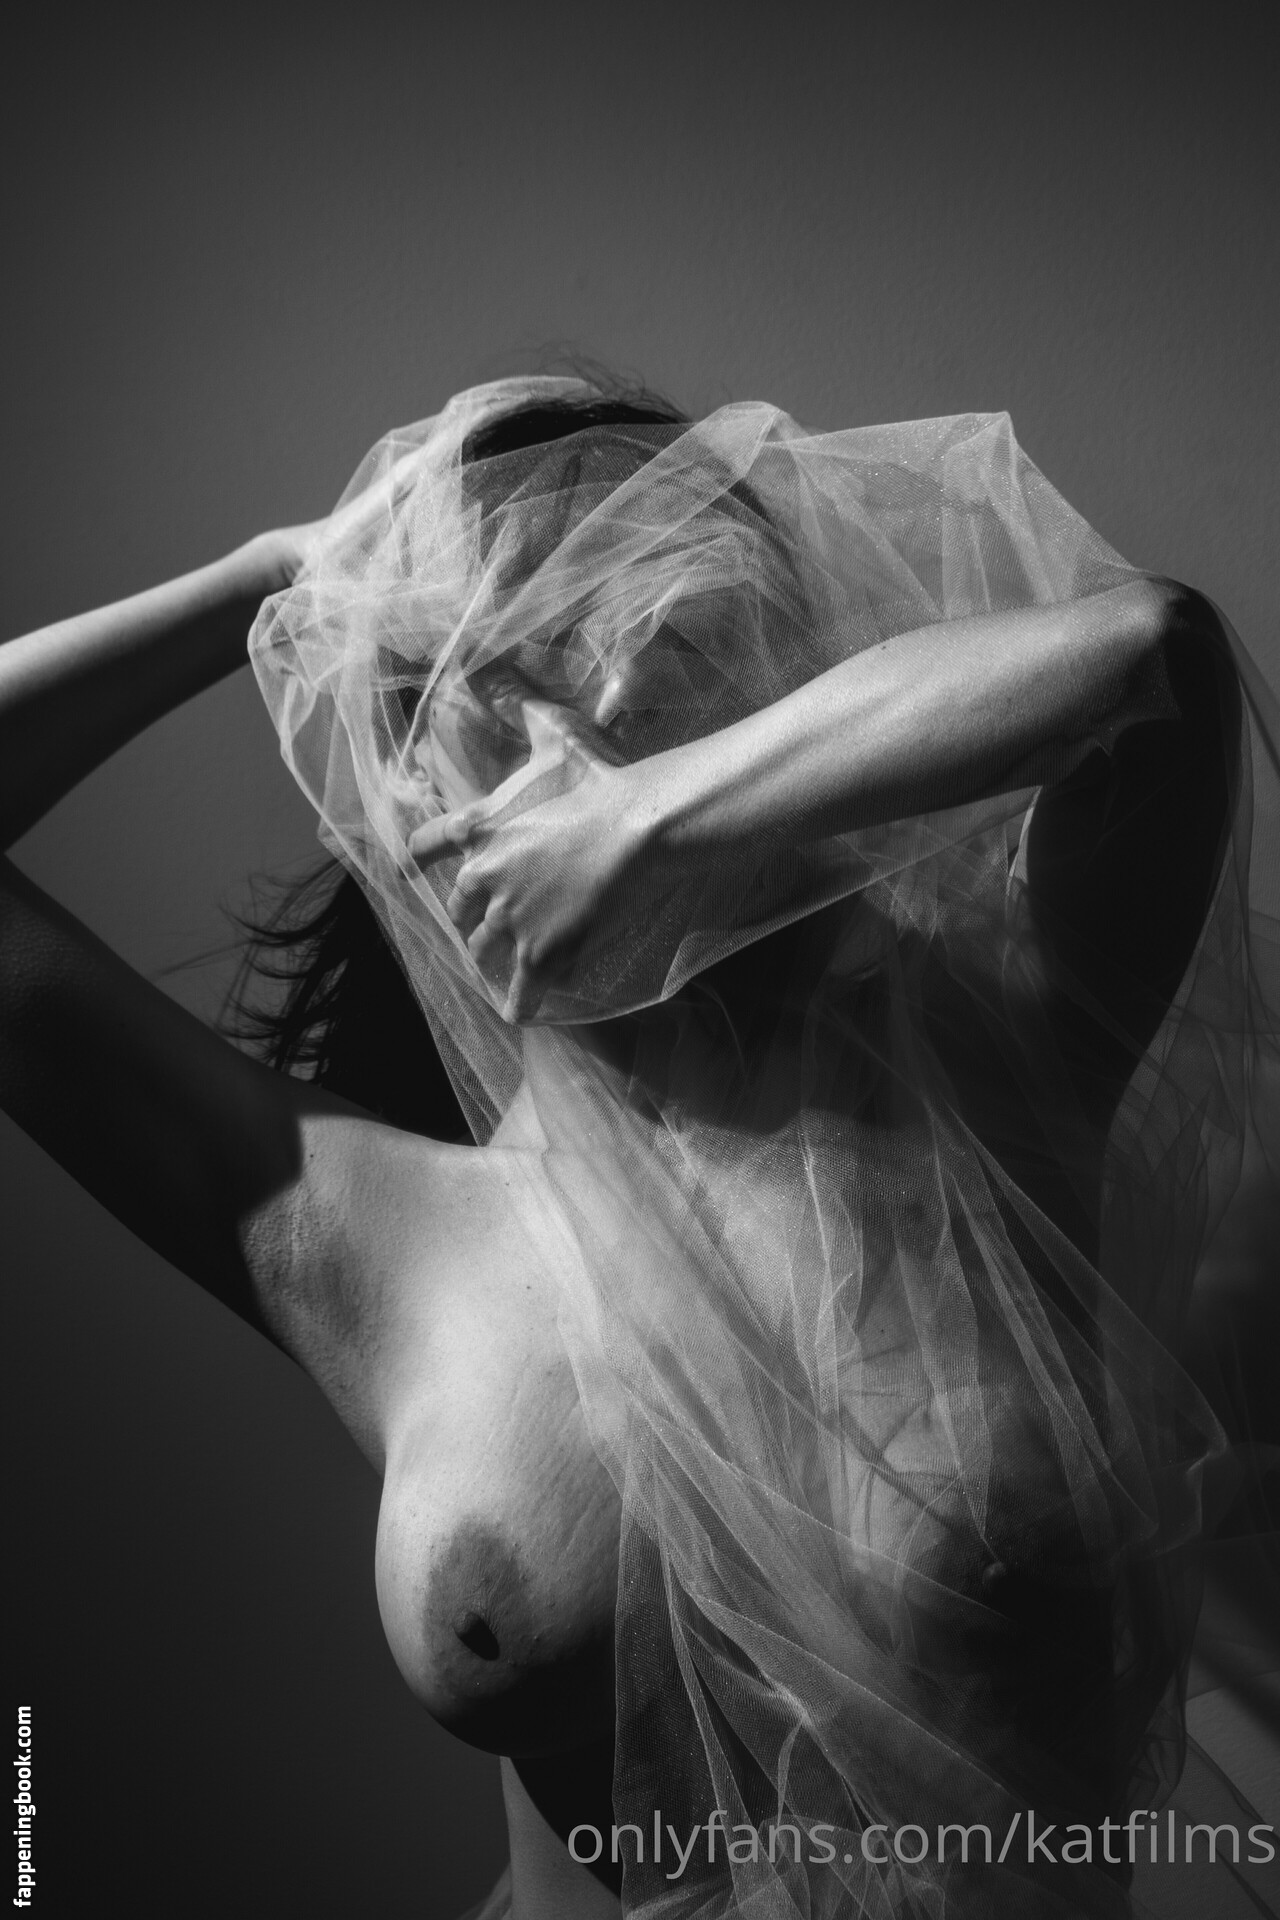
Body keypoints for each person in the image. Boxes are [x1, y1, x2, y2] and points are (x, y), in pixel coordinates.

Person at [2, 375, 1277, 1919]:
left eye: (642, 630)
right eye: (487, 672)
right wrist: (285, 578)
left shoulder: (1003, 1050)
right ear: (406, 790)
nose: (582, 717)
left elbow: (1151, 656)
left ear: (770, 680)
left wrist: (649, 823)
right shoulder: (368, 1232)